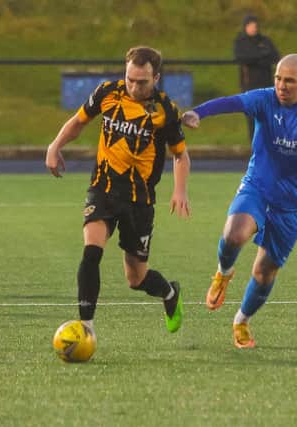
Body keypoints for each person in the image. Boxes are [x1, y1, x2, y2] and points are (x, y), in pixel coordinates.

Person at [182, 53, 297, 349]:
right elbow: (232, 102)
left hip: (291, 203)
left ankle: (241, 320)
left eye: (289, 80)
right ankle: (223, 273)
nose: (281, 85)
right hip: (257, 186)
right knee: (234, 234)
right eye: (278, 78)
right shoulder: (265, 99)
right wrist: (198, 113)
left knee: (264, 272)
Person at [45, 46, 191, 337]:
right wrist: (55, 146)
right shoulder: (108, 92)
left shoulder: (165, 110)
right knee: (91, 252)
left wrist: (180, 190)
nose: (135, 86)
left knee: (136, 278)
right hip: (103, 189)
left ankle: (168, 293)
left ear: (157, 77)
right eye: (130, 79)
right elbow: (78, 122)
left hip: (140, 201)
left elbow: (180, 155)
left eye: (143, 81)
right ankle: (86, 327)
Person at [233, 14, 280, 141]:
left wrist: (259, 58)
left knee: (268, 113)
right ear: (245, 27)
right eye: (250, 26)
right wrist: (260, 56)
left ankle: (269, 140)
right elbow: (242, 58)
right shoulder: (241, 42)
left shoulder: (264, 40)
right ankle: (253, 141)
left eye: (255, 25)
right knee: (251, 114)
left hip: (266, 83)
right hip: (249, 84)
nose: (253, 28)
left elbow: (275, 56)